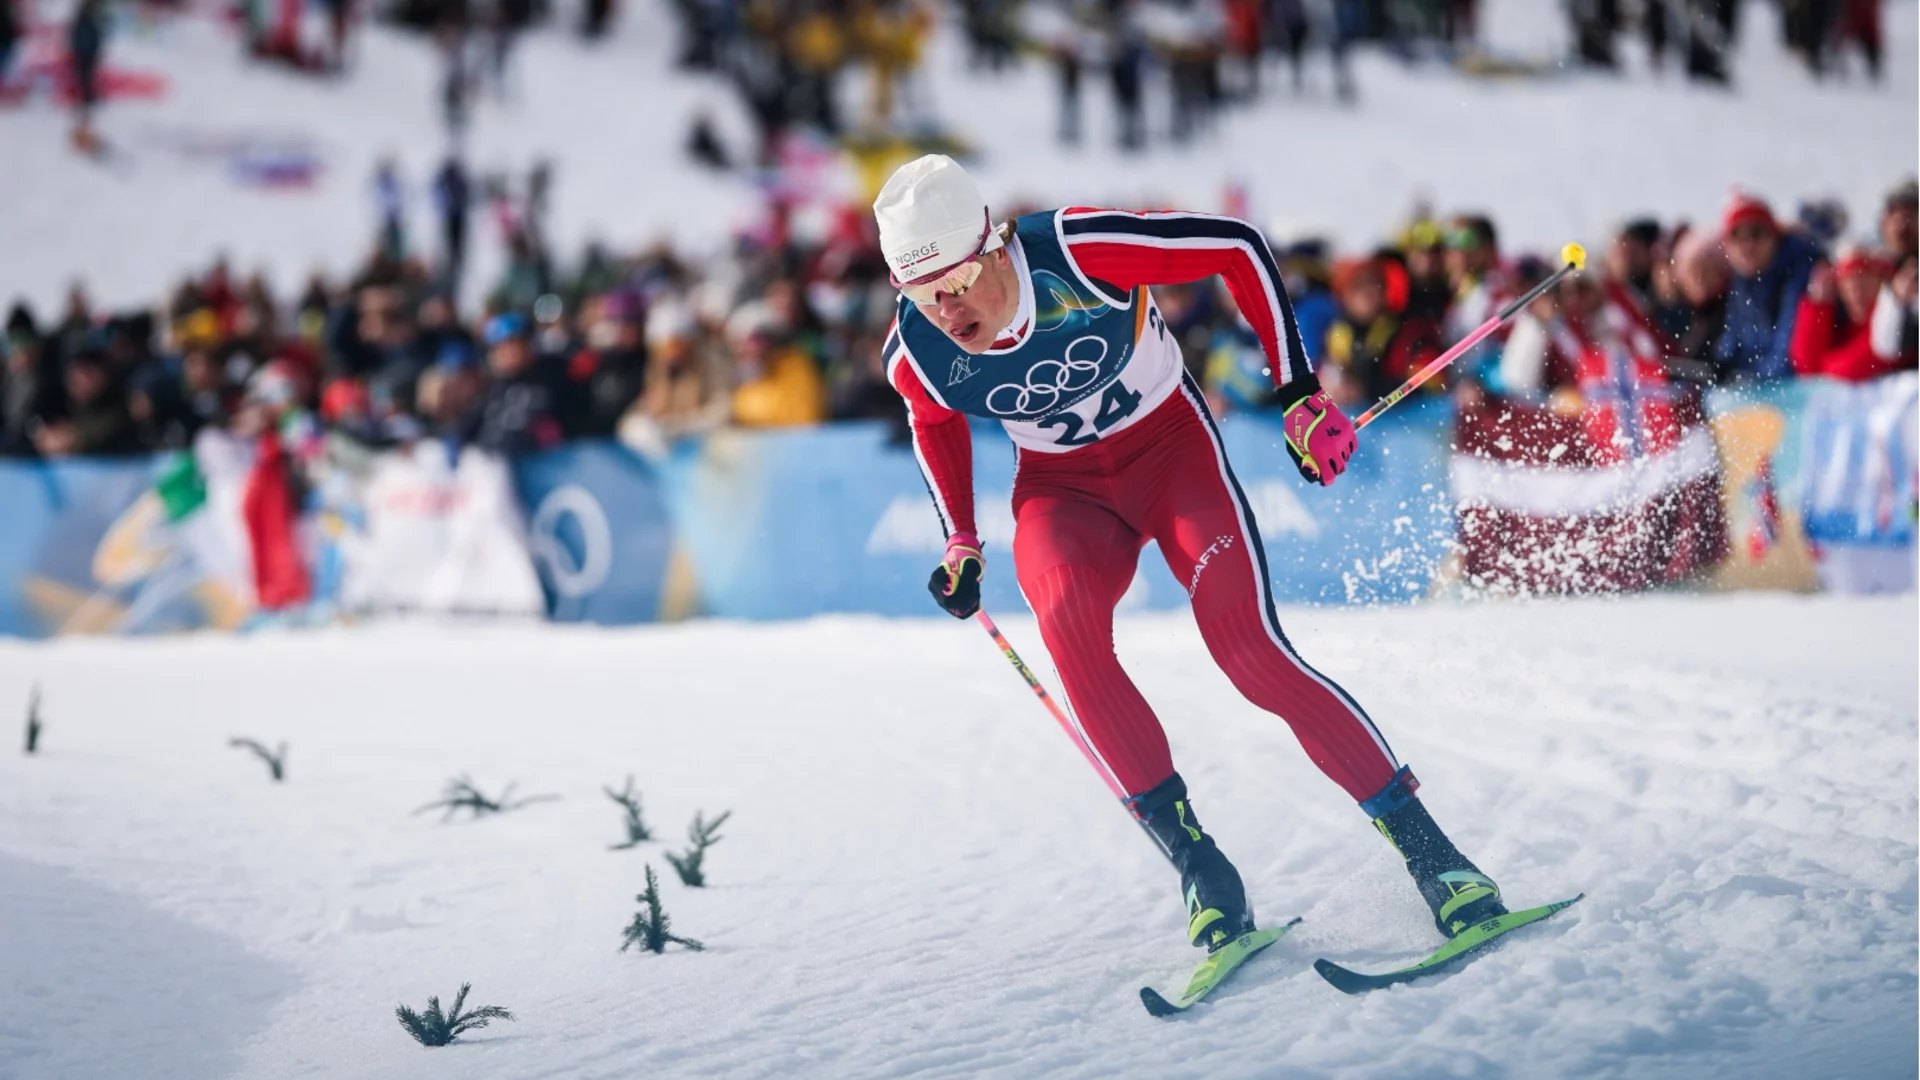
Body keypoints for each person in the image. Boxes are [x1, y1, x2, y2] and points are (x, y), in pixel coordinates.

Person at [874, 154, 1509, 955]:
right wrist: (960, 539)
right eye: (920, 295)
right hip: (1064, 493)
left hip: (1172, 458)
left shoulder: (1076, 252)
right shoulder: (916, 351)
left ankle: (1438, 860)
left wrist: (1296, 392)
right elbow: (931, 420)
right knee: (1068, 632)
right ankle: (1202, 871)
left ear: (994, 244)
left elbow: (1237, 247)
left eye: (956, 284)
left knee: (1250, 654)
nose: (944, 311)